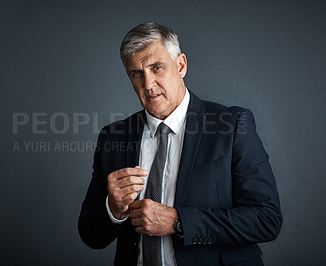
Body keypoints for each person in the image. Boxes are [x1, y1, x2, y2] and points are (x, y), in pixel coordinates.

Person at [78, 22, 282, 266]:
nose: (148, 84)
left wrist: (178, 222)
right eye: (137, 73)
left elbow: (266, 219)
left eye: (157, 68)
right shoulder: (114, 137)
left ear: (181, 65)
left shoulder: (232, 125)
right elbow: (90, 235)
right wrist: (112, 209)